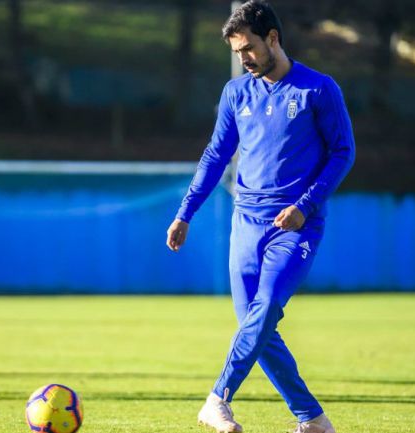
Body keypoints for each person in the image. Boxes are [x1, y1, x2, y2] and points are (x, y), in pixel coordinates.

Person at [165, 2, 355, 432]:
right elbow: (216, 156)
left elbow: (343, 153)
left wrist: (305, 206)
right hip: (245, 225)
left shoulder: (318, 89)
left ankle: (217, 399)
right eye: (237, 52)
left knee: (266, 307)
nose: (243, 58)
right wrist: (185, 213)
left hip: (295, 225)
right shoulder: (236, 93)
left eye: (248, 48)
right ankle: (313, 420)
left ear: (272, 38)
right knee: (259, 327)